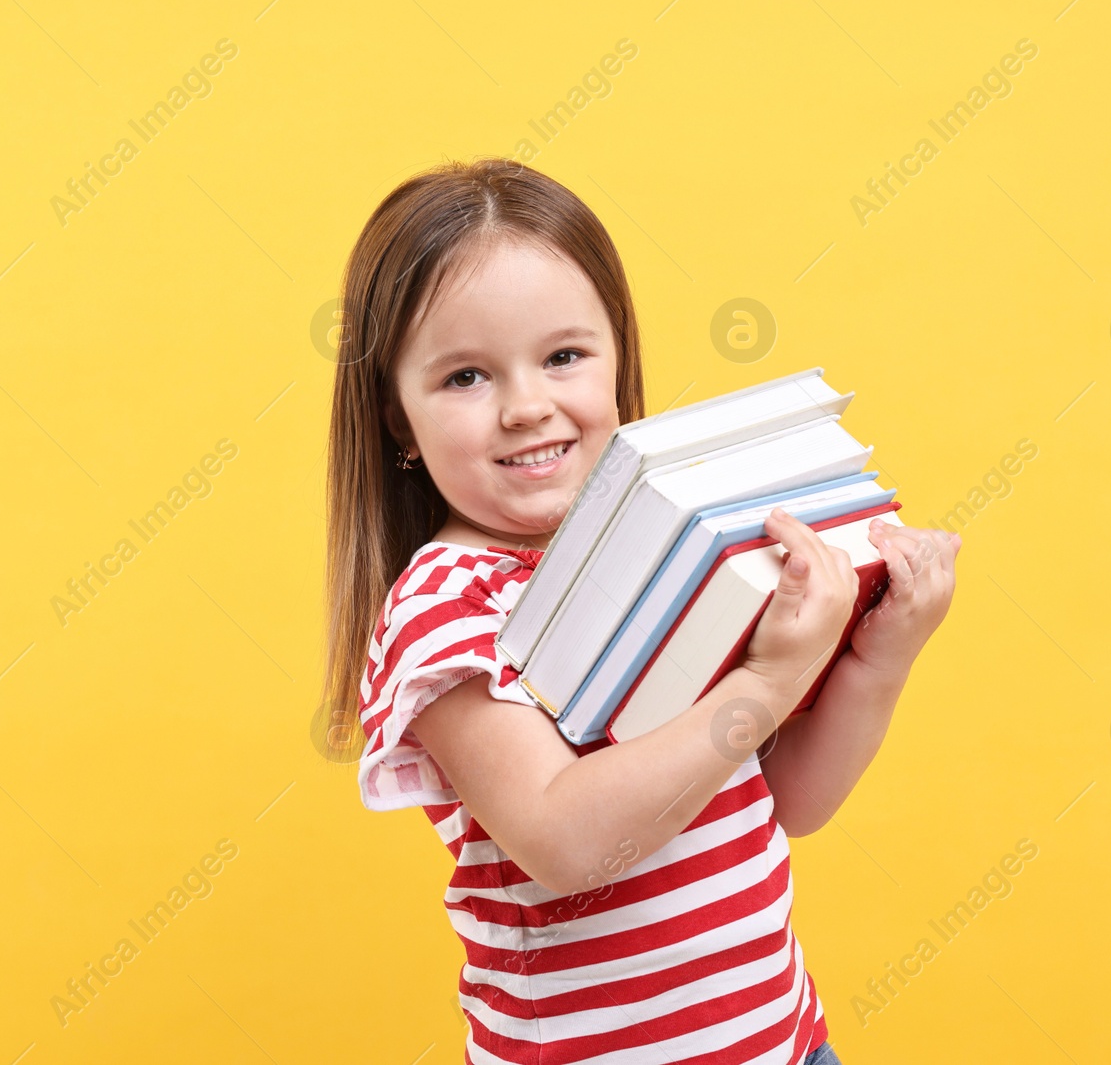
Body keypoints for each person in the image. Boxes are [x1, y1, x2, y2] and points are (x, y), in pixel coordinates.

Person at [322, 156, 960, 1064]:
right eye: (466, 377)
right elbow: (564, 839)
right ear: (397, 419)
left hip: (784, 1042)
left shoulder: (672, 541)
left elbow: (784, 799)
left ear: (618, 354)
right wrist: (771, 677)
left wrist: (876, 660)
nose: (527, 406)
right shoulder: (447, 607)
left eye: (564, 356)